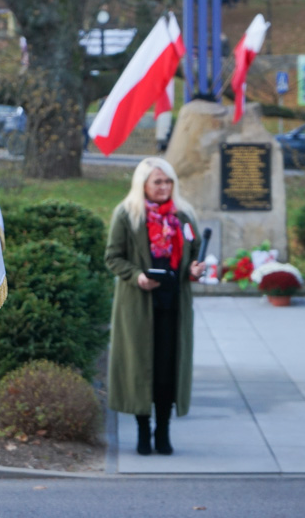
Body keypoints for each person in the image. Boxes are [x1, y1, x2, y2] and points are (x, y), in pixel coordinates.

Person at [105, 157, 206, 456]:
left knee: (167, 370)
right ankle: (142, 431)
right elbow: (113, 257)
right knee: (141, 368)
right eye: (157, 182)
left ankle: (163, 430)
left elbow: (194, 256)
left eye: (168, 181)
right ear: (143, 185)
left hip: (174, 305)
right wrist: (137, 276)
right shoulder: (127, 214)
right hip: (139, 305)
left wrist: (195, 270)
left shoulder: (184, 215)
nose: (164, 187)